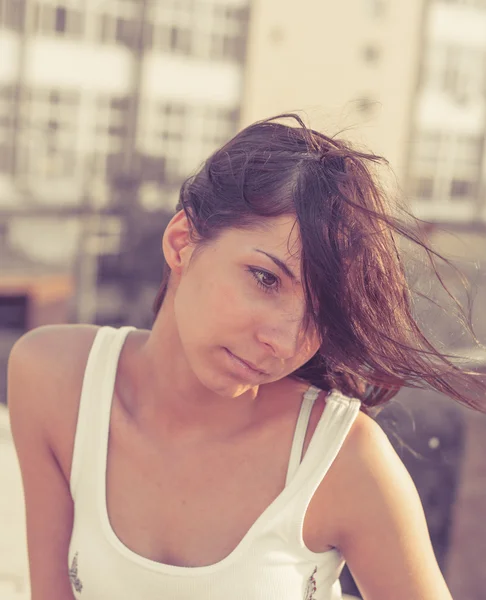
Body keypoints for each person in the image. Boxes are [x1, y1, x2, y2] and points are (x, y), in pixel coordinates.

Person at [8, 114, 480, 600]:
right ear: (182, 242)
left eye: (320, 314)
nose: (284, 339)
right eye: (266, 279)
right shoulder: (54, 381)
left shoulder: (342, 459)